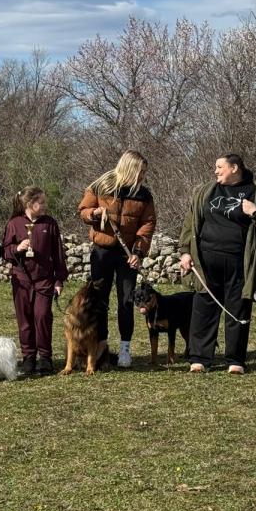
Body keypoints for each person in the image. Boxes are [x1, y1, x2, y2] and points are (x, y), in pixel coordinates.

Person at [178, 153, 256, 374]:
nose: (216, 171)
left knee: (238, 308)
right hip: (206, 260)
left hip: (240, 262)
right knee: (203, 308)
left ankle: (235, 361)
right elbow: (191, 222)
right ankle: (200, 359)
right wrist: (185, 251)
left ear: (234, 168)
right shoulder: (206, 191)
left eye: (220, 167)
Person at [77, 150, 156, 368]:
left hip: (127, 255)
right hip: (102, 252)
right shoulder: (101, 186)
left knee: (126, 301)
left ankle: (125, 349)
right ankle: (100, 347)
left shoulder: (144, 195)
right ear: (129, 169)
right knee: (99, 300)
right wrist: (94, 214)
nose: (143, 176)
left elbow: (147, 225)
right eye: (140, 171)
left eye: (144, 172)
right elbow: (83, 210)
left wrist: (138, 253)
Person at [2, 187, 69, 376]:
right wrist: (17, 248)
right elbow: (6, 251)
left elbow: (58, 254)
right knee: (25, 320)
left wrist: (59, 280)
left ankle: (45, 358)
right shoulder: (14, 224)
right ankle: (28, 358)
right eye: (42, 202)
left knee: (42, 317)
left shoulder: (50, 224)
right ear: (30, 204)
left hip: (45, 280)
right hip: (21, 280)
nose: (46, 205)